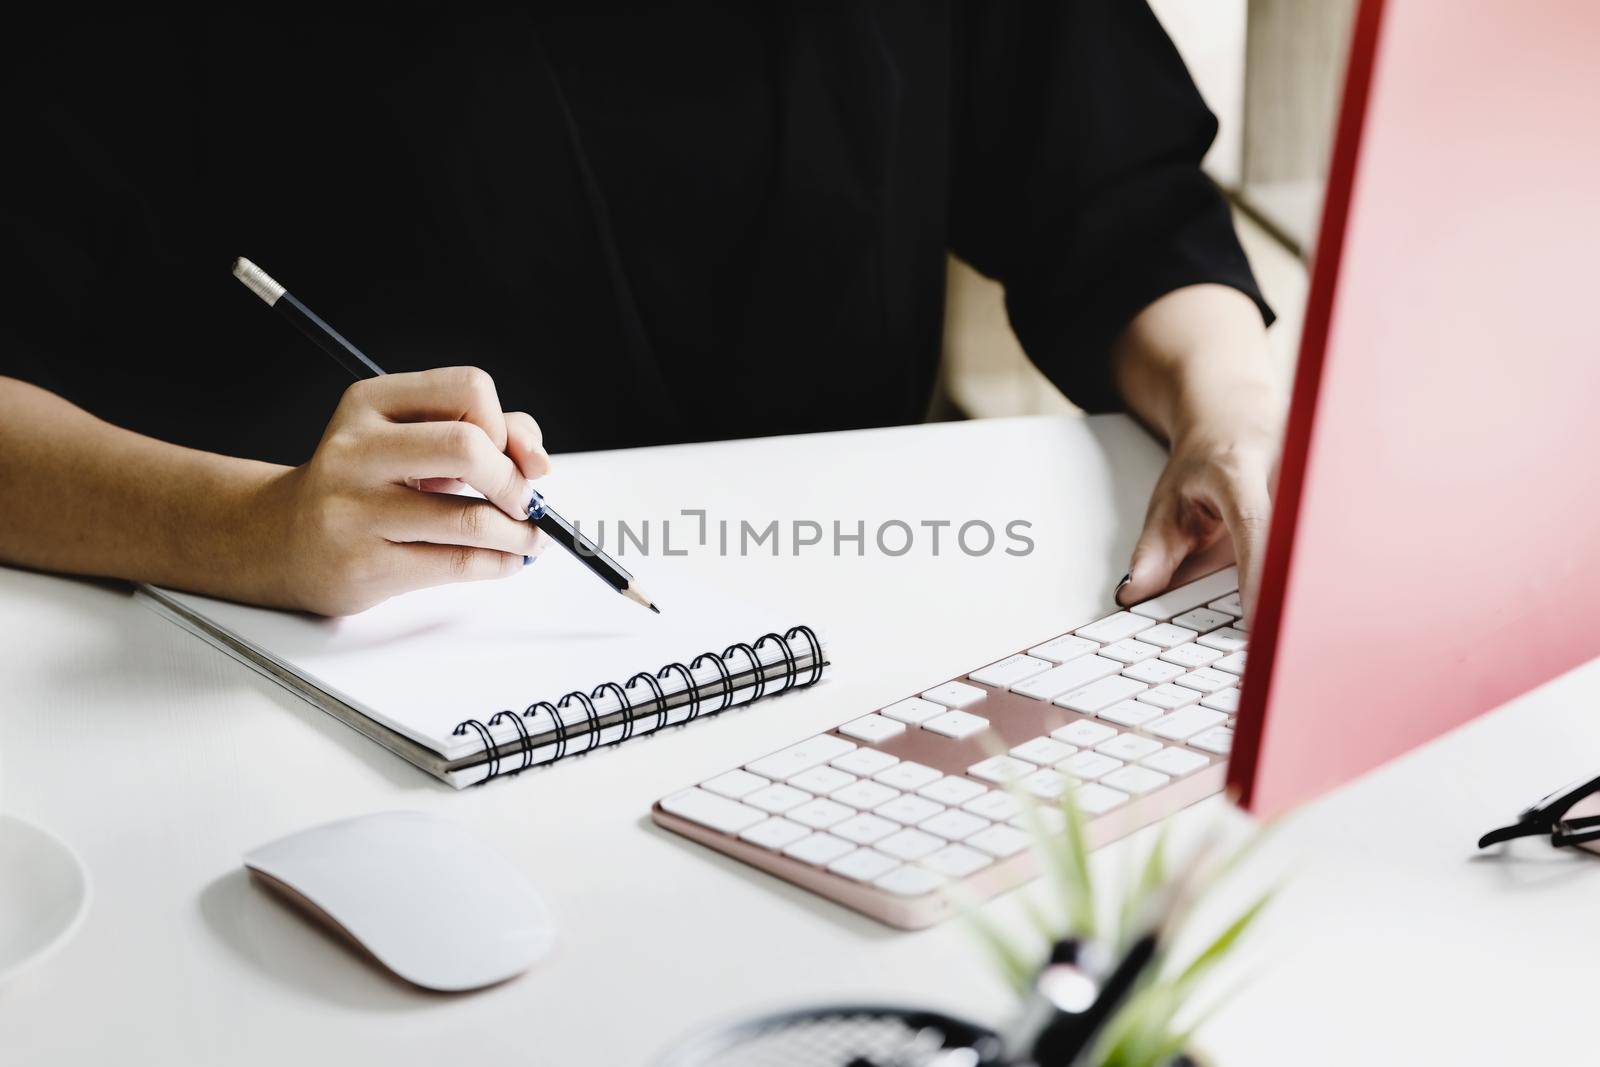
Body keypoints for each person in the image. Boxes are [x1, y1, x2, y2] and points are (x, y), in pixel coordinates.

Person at [0, 5, 1281, 617]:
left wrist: (1230, 405)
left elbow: (1113, 198)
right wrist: (247, 530)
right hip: (288, 681)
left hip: (851, 633)